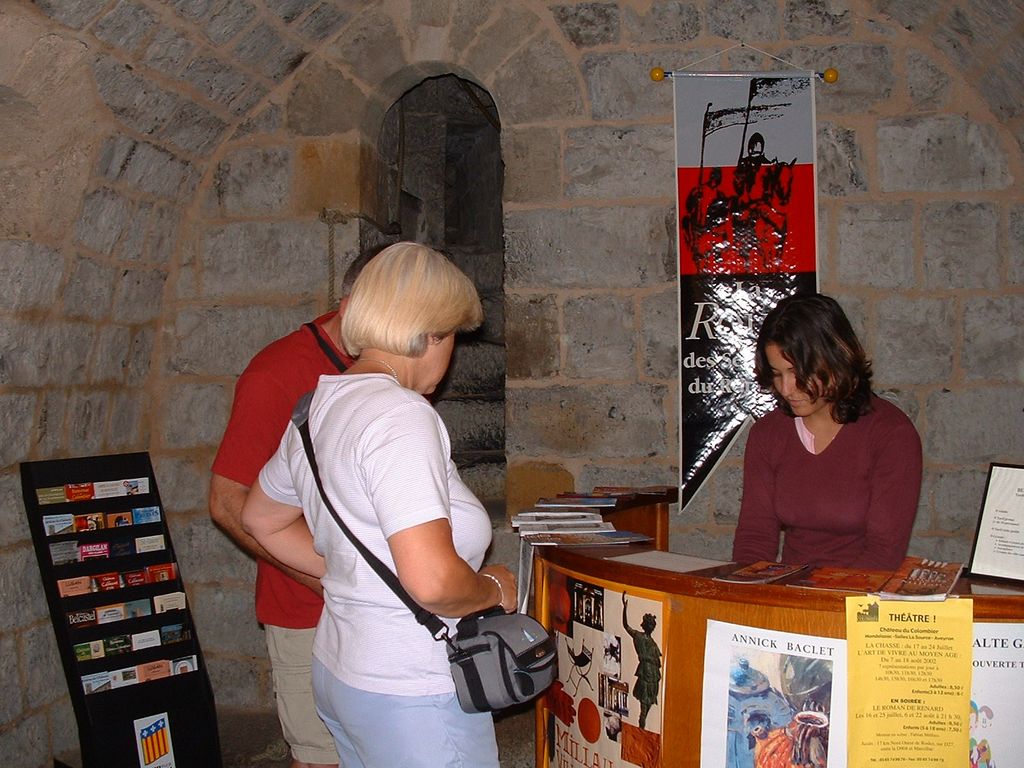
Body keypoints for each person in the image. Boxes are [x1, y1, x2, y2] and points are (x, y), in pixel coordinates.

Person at [240, 242, 517, 768]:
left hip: (341, 670)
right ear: (429, 333)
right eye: (452, 336)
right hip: (410, 687)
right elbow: (433, 583)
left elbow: (261, 519)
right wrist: (494, 590)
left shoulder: (315, 408)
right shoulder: (400, 416)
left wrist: (352, 574)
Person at [210, 270, 361, 767]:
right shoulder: (276, 373)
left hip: (379, 614)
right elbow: (228, 502)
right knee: (321, 758)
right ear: (355, 304)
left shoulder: (388, 365)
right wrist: (323, 581)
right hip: (308, 610)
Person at [732, 293, 922, 571]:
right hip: (789, 590)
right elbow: (755, 537)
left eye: (798, 373)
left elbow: (883, 553)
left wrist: (817, 594)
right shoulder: (768, 434)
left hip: (858, 592)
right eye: (777, 374)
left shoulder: (891, 434)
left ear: (836, 359)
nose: (786, 389)